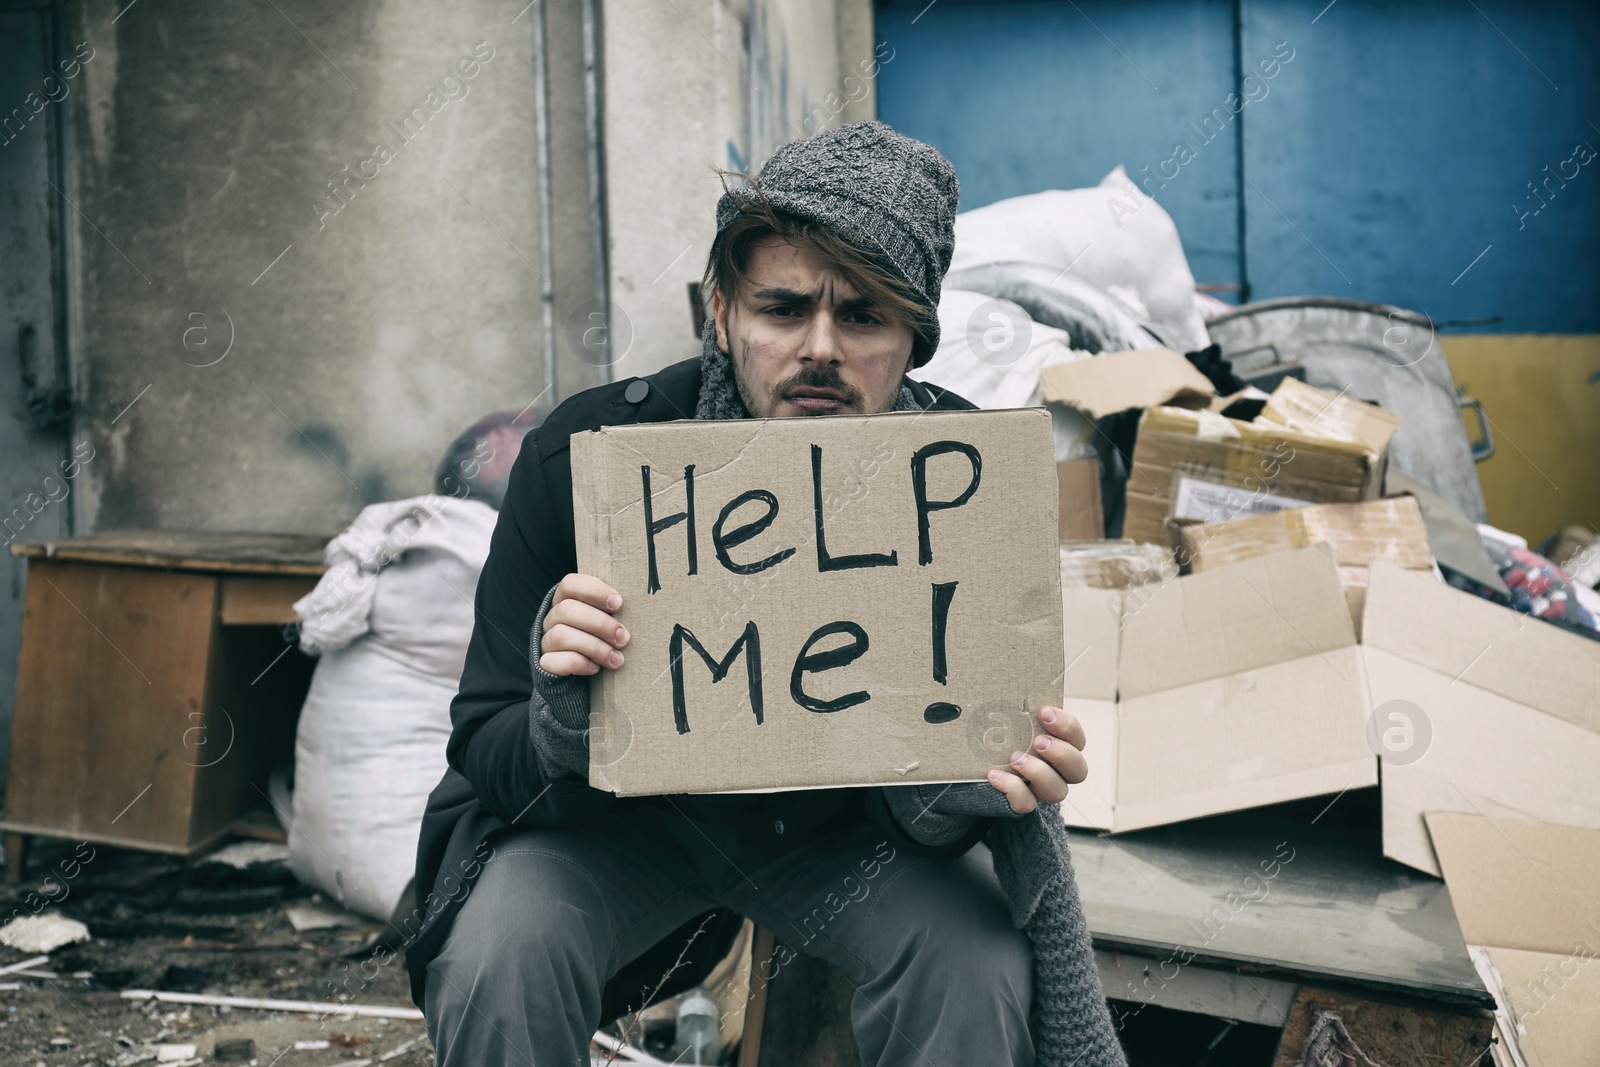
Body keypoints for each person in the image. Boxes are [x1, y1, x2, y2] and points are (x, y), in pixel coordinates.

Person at [407, 121, 1127, 1066]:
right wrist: (562, 717)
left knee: (976, 966)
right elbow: (483, 734)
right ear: (721, 314)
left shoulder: (962, 481)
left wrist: (973, 780)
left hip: (836, 839)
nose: (819, 349)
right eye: (783, 309)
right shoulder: (585, 460)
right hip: (619, 831)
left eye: (865, 317)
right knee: (500, 954)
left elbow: (954, 765)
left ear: (915, 339)